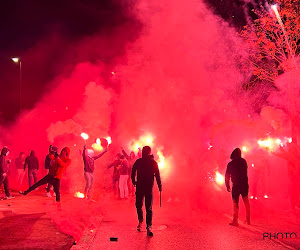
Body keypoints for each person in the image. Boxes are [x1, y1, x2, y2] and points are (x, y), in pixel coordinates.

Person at [131, 146, 162, 236]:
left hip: (143, 187)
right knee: (144, 206)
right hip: (145, 187)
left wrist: (134, 181)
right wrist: (159, 186)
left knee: (143, 206)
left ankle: (145, 224)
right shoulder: (147, 162)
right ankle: (145, 224)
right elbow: (157, 175)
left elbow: (133, 172)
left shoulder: (144, 162)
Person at [225, 148, 250, 226]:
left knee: (235, 203)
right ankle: (248, 219)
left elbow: (227, 175)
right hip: (244, 184)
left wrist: (227, 185)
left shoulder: (230, 164)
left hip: (236, 185)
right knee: (246, 201)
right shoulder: (243, 161)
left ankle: (235, 221)